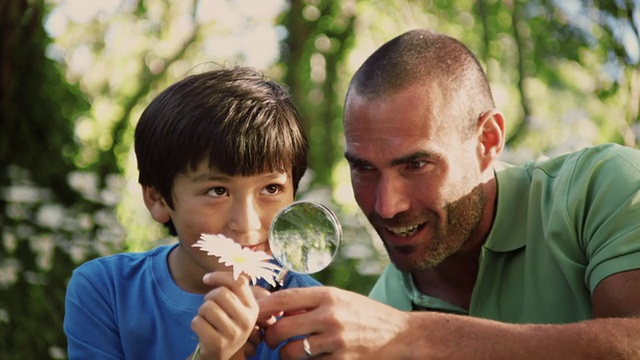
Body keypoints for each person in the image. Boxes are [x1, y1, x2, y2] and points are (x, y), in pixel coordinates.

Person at [256, 29, 640, 359]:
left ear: (488, 141)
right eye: (364, 168)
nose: (387, 206)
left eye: (416, 165)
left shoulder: (603, 188)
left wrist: (413, 338)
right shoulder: (384, 305)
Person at [63, 66, 321, 360]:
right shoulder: (106, 290)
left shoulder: (310, 313)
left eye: (271, 189)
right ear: (157, 198)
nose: (247, 223)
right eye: (218, 191)